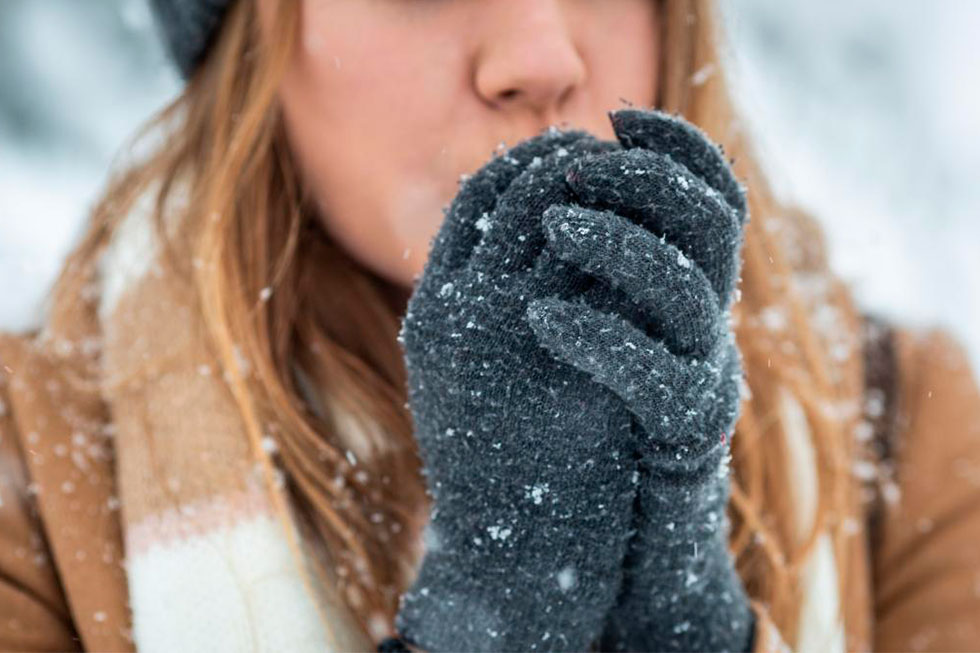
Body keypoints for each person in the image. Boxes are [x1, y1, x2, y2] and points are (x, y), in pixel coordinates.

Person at [0, 0, 978, 651]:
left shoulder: (905, 436)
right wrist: (494, 609)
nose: (539, 58)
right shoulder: (31, 484)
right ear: (246, 40)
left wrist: (680, 626)